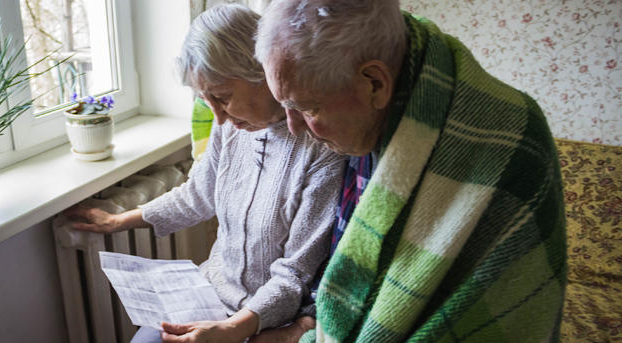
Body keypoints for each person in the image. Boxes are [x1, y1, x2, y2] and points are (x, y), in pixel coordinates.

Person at [255, 0, 567, 342]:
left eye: (307, 107)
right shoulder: (368, 119)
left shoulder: (513, 141)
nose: (294, 127)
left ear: (375, 82)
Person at [64, 4, 345, 343]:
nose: (219, 117)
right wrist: (117, 221)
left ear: (264, 73)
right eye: (204, 99)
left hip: (272, 316)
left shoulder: (322, 146)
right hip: (210, 293)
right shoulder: (231, 128)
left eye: (223, 98)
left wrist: (234, 328)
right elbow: (197, 195)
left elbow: (295, 274)